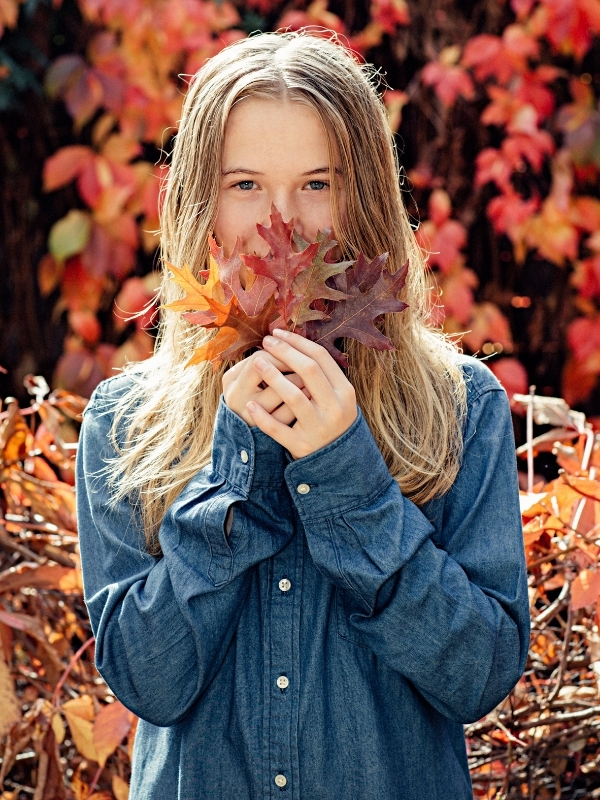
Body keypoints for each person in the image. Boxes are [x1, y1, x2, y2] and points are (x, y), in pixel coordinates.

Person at [76, 30, 530, 800]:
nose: (278, 223)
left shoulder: (458, 407)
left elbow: (479, 674)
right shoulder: (127, 422)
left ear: (365, 200)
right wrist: (236, 472)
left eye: (317, 185)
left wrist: (347, 478)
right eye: (245, 184)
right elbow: (147, 681)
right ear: (201, 201)